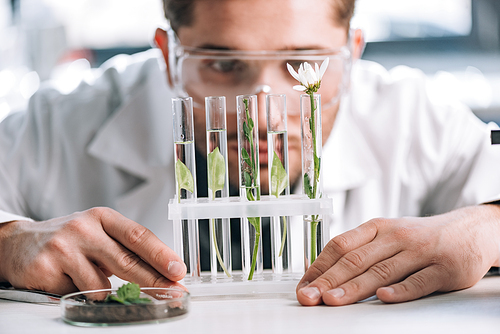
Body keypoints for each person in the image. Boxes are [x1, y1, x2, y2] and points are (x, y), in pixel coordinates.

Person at [0, 0, 499, 306]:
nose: (262, 116)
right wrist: (9, 241)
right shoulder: (57, 126)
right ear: (168, 57)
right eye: (222, 64)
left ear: (352, 56)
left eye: (302, 63)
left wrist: (486, 230)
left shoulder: (417, 119)